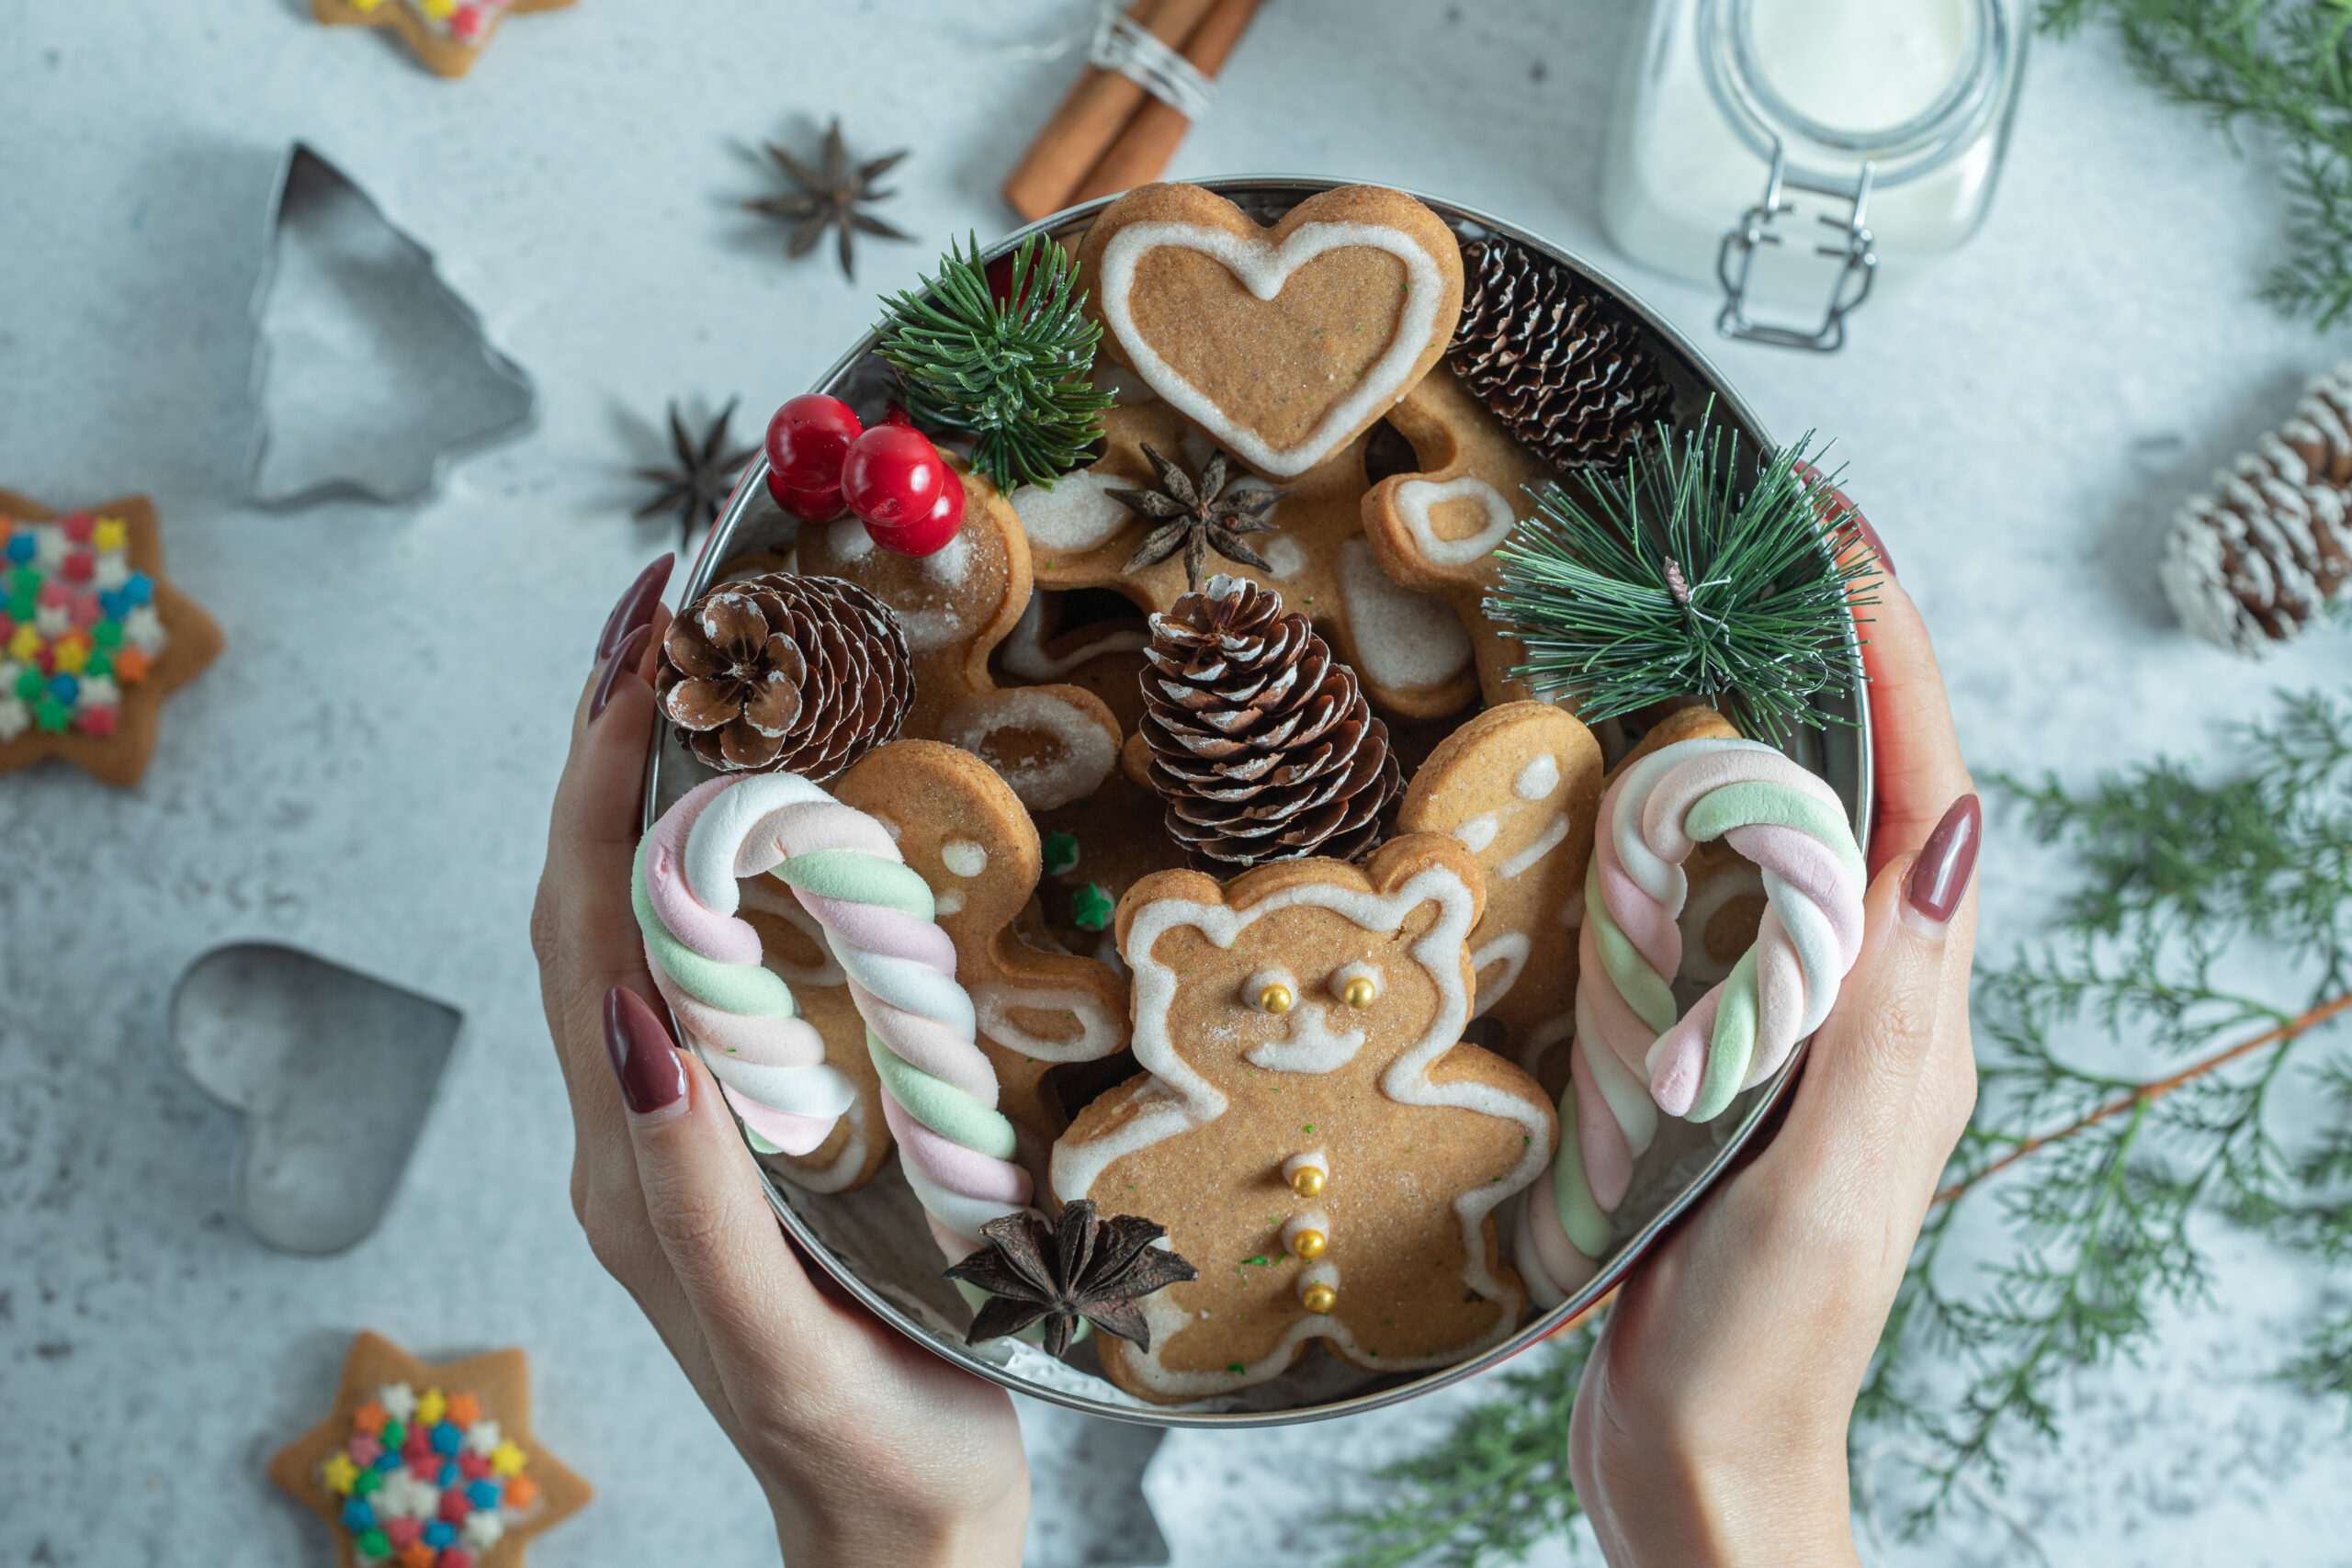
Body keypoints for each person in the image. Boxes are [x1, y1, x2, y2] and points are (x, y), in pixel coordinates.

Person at [532, 518, 1980, 1568]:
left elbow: (1489, 1138)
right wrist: (1721, 1475)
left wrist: (908, 1542)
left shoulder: (1463, 1017)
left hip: (1410, 1259)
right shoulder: (1132, 1022)